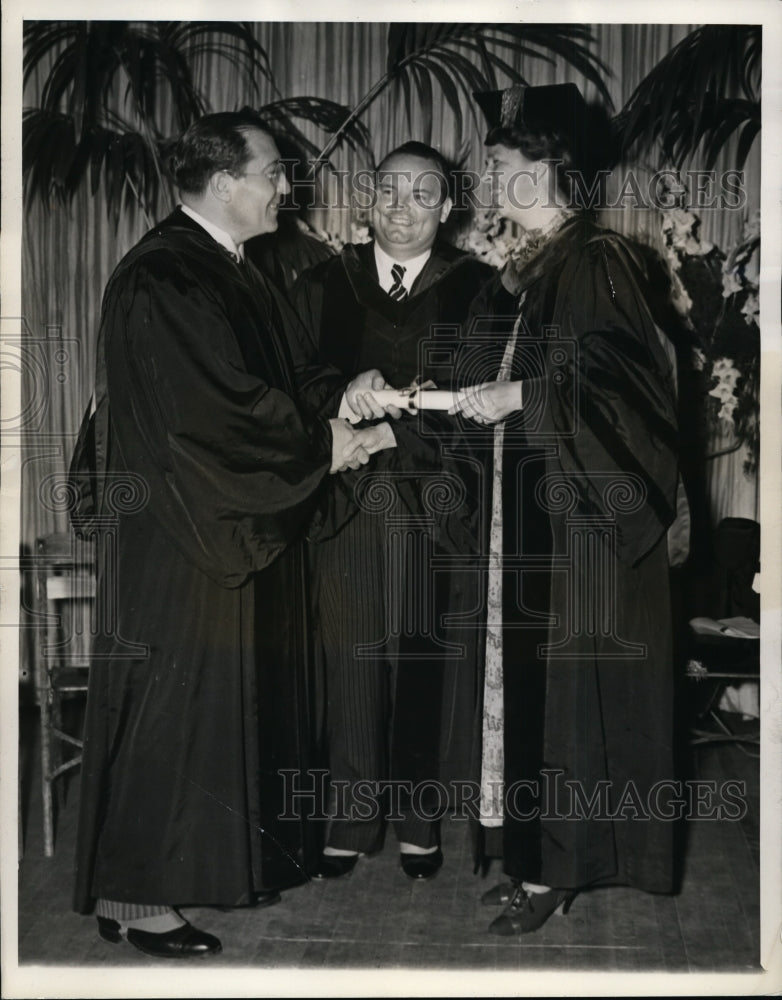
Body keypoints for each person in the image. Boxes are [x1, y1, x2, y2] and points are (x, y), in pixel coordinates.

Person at [71, 111, 395, 958]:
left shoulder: (231, 267)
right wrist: (325, 442)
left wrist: (346, 393)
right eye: (273, 173)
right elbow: (214, 413)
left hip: (218, 519)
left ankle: (137, 886)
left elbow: (283, 376)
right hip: (182, 534)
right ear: (225, 185)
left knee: (205, 706)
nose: (287, 188)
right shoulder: (166, 277)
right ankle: (139, 898)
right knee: (175, 706)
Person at [451, 84, 681, 933]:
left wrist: (522, 393)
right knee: (545, 701)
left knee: (575, 707)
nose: (489, 173)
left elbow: (631, 394)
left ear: (546, 170)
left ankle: (559, 871)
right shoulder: (546, 261)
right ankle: (539, 860)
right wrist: (499, 394)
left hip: (586, 527)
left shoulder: (595, 260)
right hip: (547, 512)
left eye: (501, 162)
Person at [292, 142, 494, 880]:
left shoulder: (481, 289)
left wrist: (395, 427)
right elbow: (293, 382)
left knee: (424, 660)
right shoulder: (321, 282)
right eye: (388, 191)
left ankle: (420, 816)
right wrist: (346, 391)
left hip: (437, 506)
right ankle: (349, 817)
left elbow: (486, 406)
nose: (401, 208)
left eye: (421, 194)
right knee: (349, 658)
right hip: (346, 503)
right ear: (366, 198)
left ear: (447, 209)